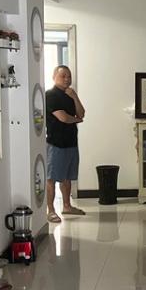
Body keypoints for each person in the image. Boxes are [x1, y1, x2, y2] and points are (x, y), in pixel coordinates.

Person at [45, 65, 85, 223]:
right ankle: (50, 210)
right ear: (54, 77)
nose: (67, 79)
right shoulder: (50, 95)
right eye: (63, 76)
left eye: (69, 76)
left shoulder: (70, 94)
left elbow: (81, 113)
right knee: (51, 178)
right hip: (56, 143)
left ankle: (67, 206)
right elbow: (63, 117)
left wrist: (75, 97)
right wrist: (77, 120)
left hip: (71, 142)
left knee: (67, 177)